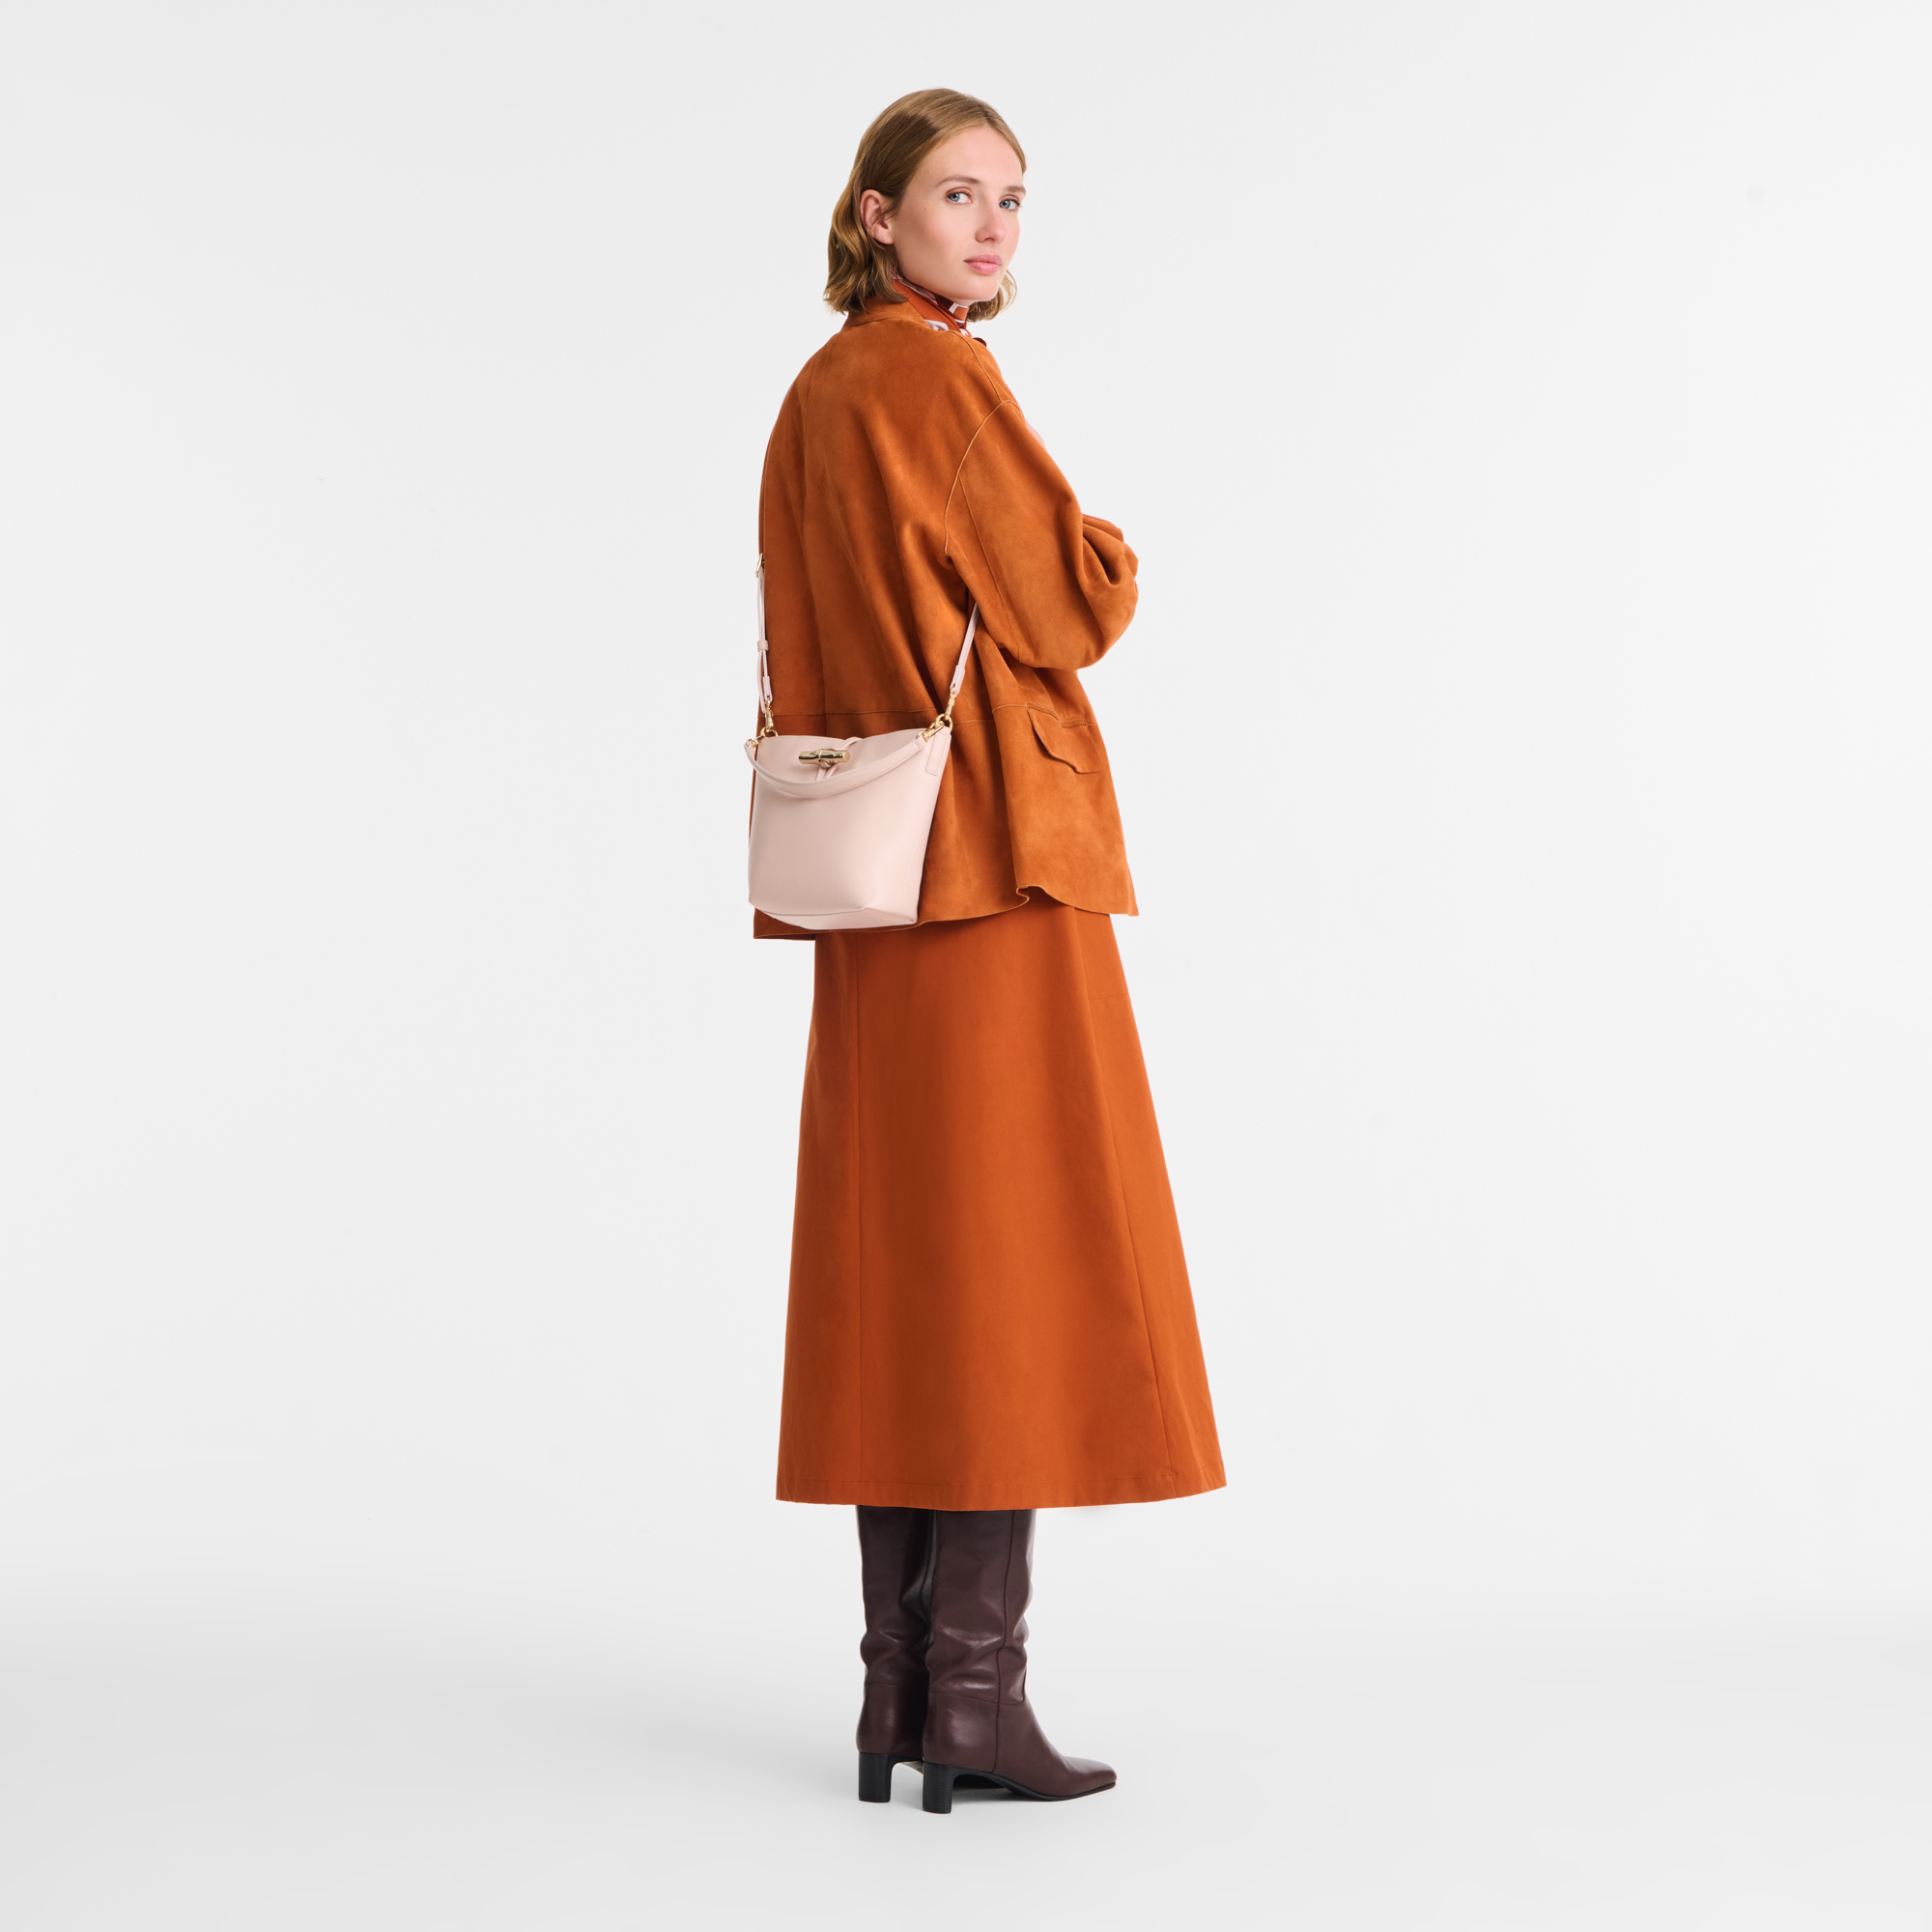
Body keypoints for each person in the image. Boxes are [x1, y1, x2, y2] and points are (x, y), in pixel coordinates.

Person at [753, 88, 1224, 1814]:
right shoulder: (946, 381)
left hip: (868, 884)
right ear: (877, 215)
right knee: (1009, 1265)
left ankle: (901, 1696)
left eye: (1013, 199)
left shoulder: (813, 396)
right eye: (959, 195)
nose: (995, 227)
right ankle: (974, 1701)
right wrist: (1114, 550)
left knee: (903, 1265)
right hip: (992, 871)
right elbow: (1070, 600)